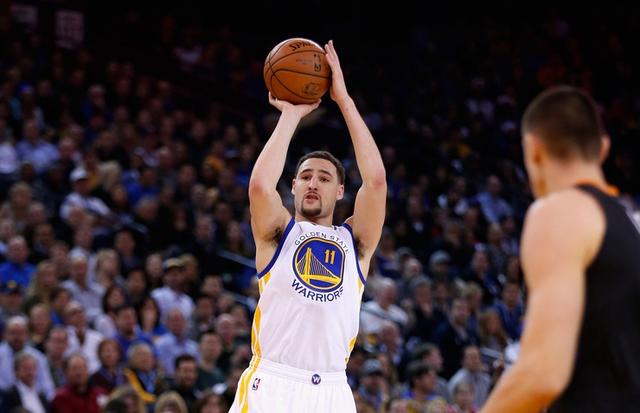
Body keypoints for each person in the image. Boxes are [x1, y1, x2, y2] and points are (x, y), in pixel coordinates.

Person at [229, 40, 387, 413]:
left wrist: (344, 102)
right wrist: (291, 115)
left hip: (330, 390)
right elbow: (259, 187)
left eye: (324, 178)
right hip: (273, 382)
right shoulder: (278, 234)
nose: (314, 182)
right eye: (305, 176)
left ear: (341, 190)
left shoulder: (356, 242)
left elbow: (377, 181)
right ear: (295, 186)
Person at [480, 86, 640, 412]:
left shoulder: (559, 212)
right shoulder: (628, 226)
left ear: (534, 150)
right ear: (603, 149)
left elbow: (542, 372)